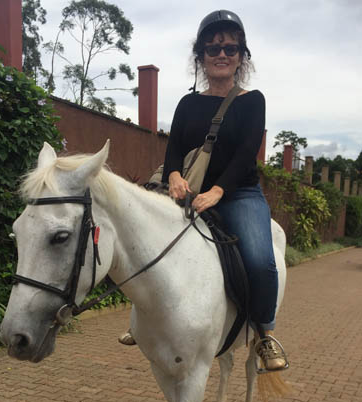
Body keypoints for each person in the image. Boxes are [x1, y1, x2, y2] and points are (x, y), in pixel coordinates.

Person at [120, 9, 288, 372]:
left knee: (261, 261)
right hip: (190, 190)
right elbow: (175, 147)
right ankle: (143, 321)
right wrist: (176, 176)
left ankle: (264, 333)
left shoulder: (252, 101)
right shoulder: (188, 103)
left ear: (242, 56)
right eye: (213, 49)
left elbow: (246, 155)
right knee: (146, 244)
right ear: (201, 56)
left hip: (239, 193)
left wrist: (217, 192)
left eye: (230, 48)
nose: (222, 54)